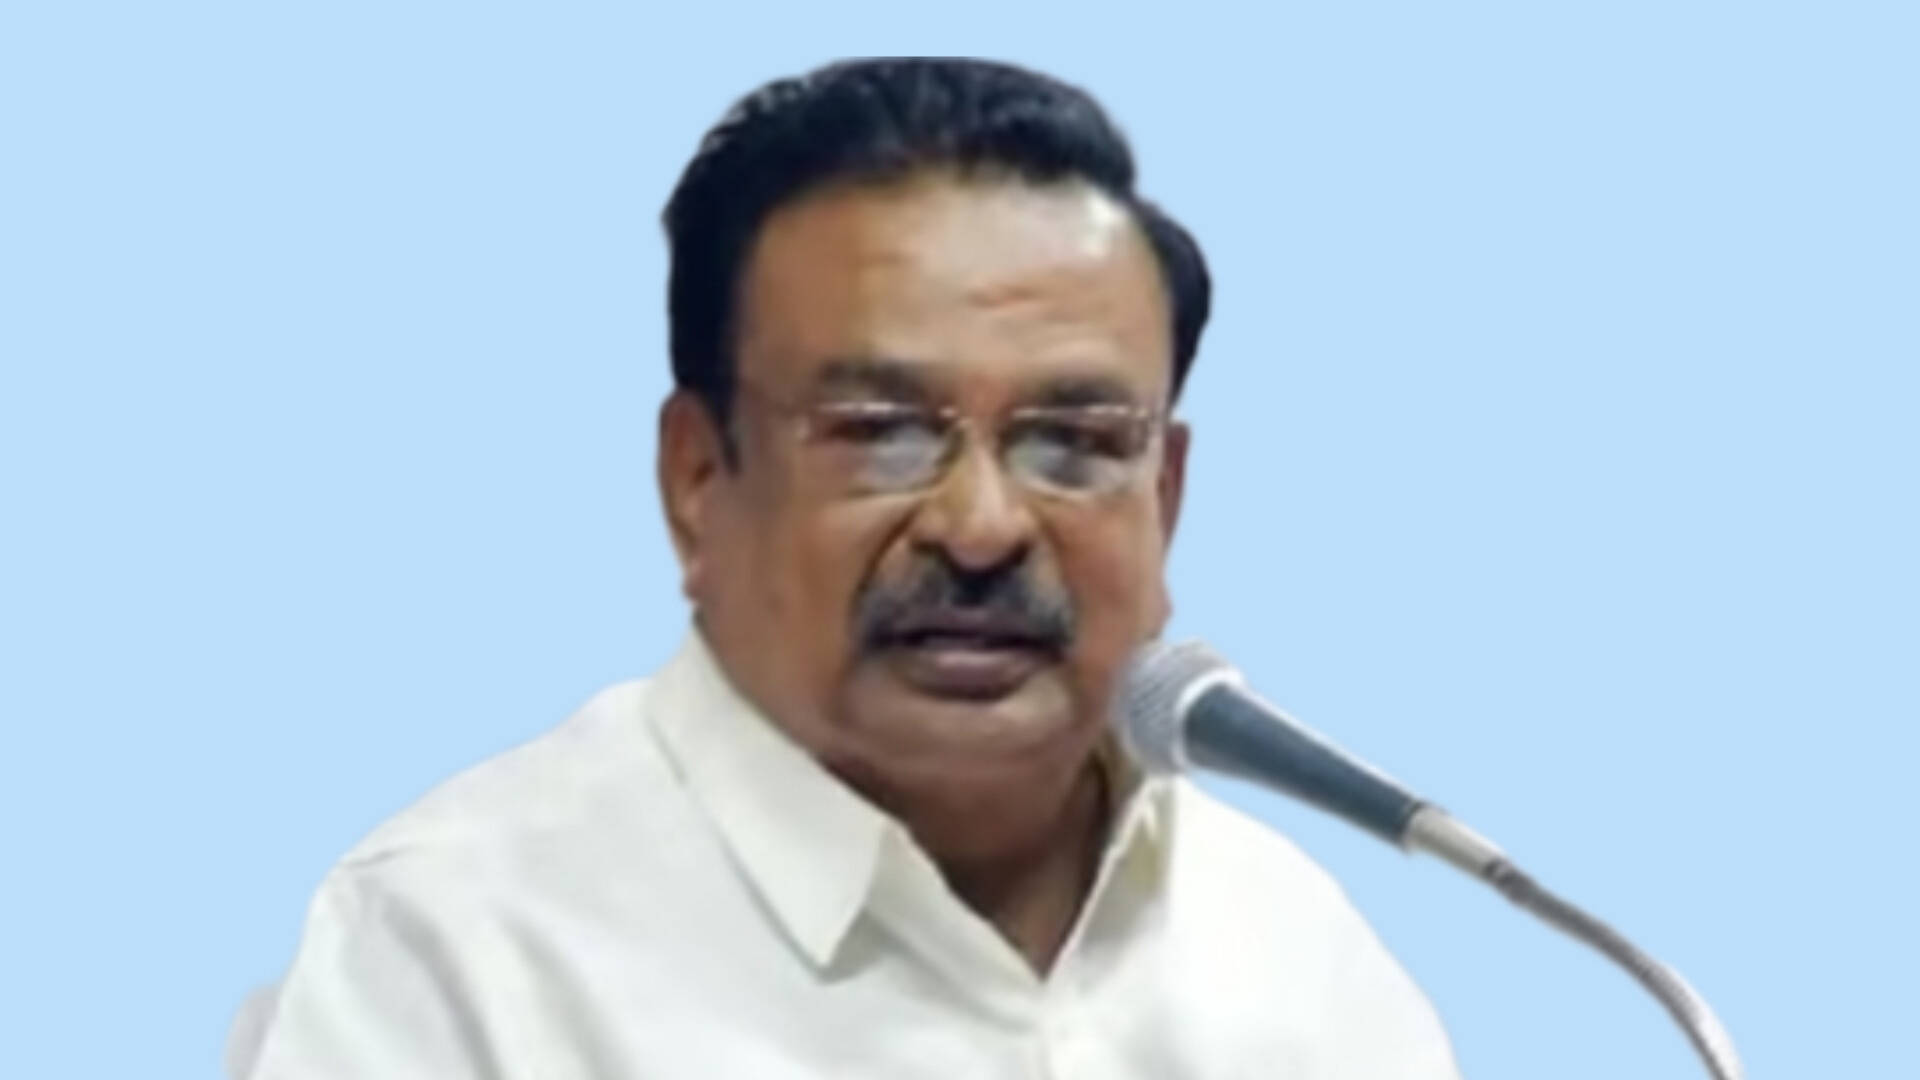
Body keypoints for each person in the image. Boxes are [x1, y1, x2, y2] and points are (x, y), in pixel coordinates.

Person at [231, 57, 1463, 1079]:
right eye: (882, 434)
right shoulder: (454, 956)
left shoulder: (1300, 962)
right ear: (697, 479)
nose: (981, 527)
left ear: (1166, 498)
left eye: (1073, 444)